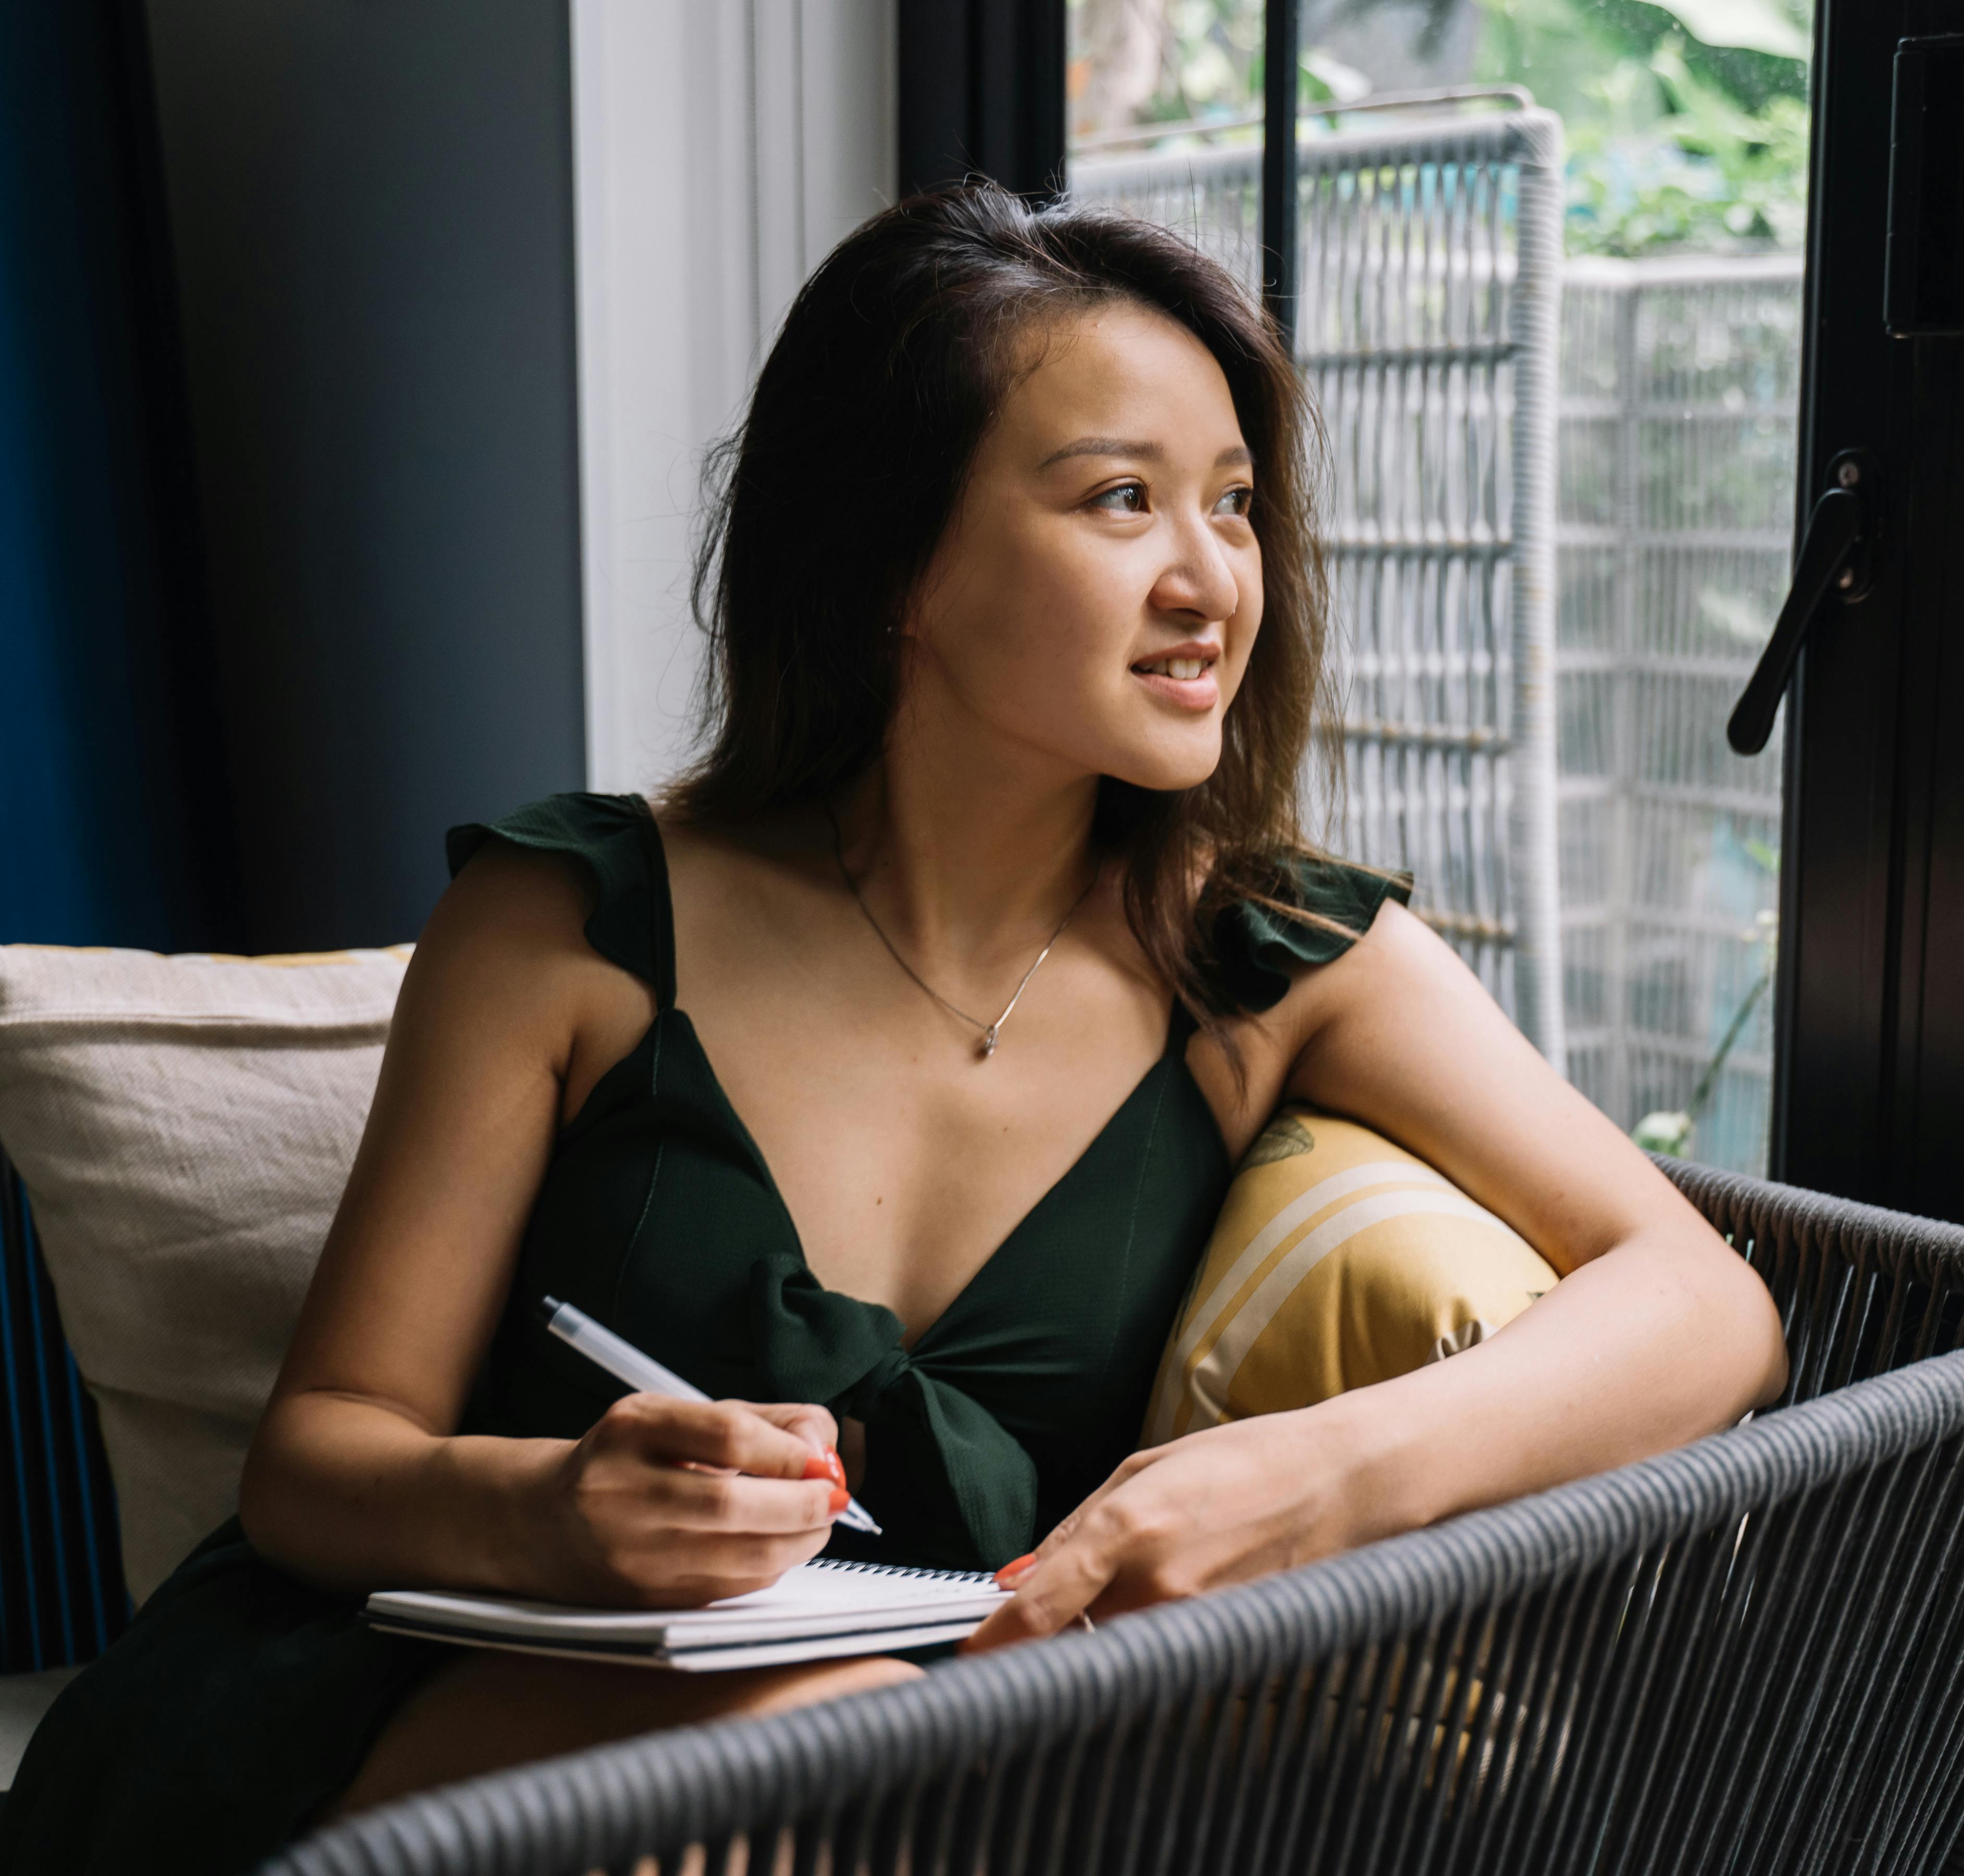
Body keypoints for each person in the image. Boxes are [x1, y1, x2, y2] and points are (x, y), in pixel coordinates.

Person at [0, 182, 1786, 1873]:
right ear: (891, 568)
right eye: (1117, 500)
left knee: (879, 1768)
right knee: (857, 1773)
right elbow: (320, 1457)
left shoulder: (1272, 955)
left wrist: (1303, 1482)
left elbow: (1706, 1304)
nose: (1211, 580)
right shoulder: (566, 924)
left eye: (1234, 502)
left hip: (926, 1775)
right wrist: (554, 1509)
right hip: (392, 1719)